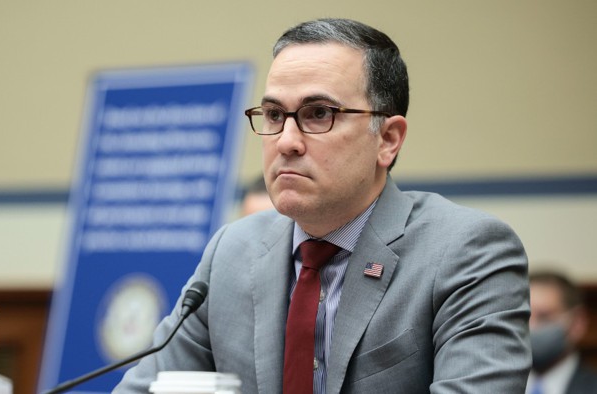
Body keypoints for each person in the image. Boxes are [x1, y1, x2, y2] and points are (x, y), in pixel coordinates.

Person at [114, 18, 530, 393]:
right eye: (274, 115)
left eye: (318, 114)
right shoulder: (232, 251)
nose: (287, 141)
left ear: (388, 139)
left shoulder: (466, 250)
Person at [527, 271, 597, 394]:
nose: (531, 327)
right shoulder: (489, 386)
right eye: (524, 318)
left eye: (544, 317)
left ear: (577, 323)